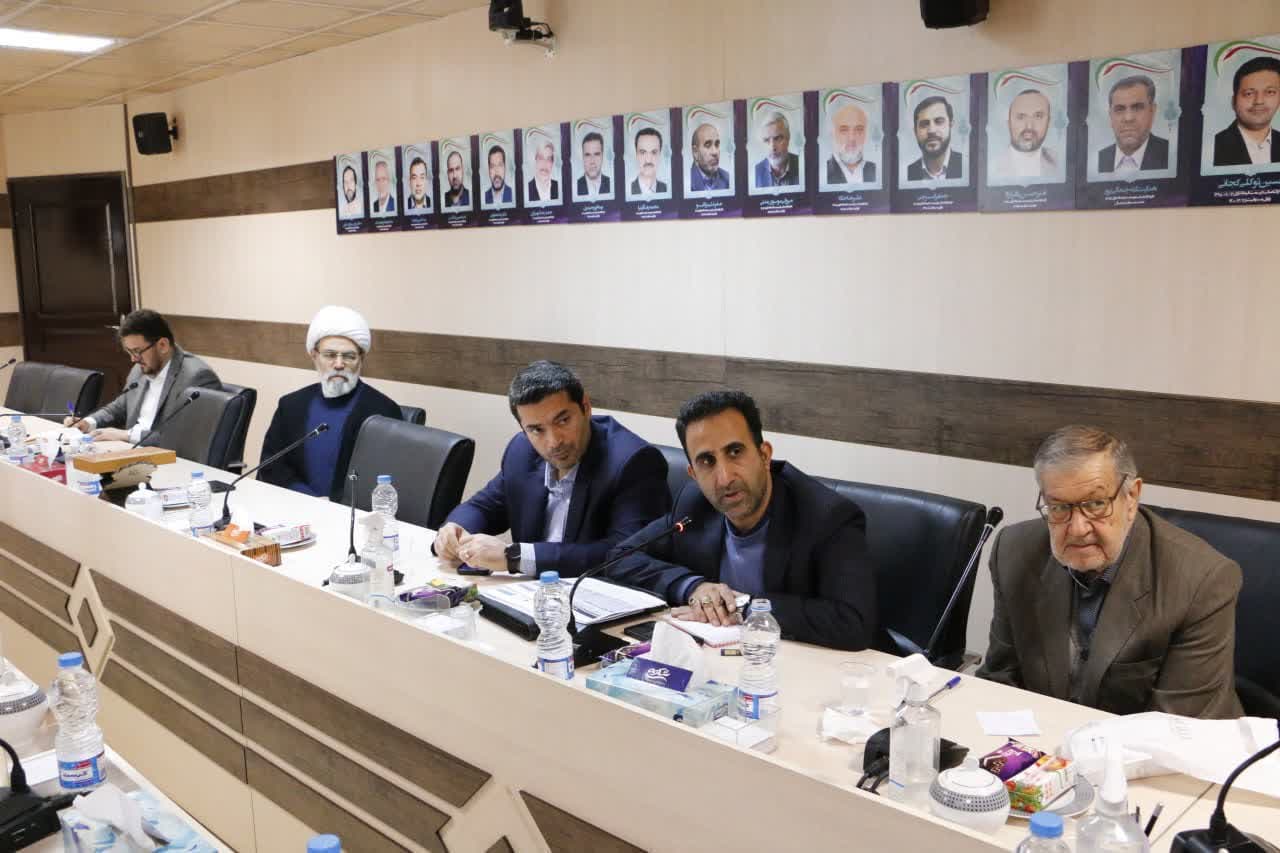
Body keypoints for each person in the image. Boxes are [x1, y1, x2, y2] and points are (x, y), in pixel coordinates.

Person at [976, 425, 1243, 718]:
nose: (1077, 529)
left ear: (1132, 497)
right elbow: (1000, 680)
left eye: (1096, 504)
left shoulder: (1201, 580)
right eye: (1059, 507)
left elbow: (1175, 726)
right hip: (1047, 739)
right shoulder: (1014, 552)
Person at [603, 390, 877, 651]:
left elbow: (853, 622)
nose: (724, 478)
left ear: (764, 455)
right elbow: (620, 558)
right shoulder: (693, 505)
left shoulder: (826, 517)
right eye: (707, 461)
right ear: (693, 474)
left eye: (735, 452)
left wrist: (744, 606)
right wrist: (693, 586)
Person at [434, 360, 669, 578]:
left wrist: (515, 557)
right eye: (536, 430)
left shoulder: (633, 462)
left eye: (563, 421)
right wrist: (455, 530)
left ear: (586, 407)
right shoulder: (521, 451)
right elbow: (484, 506)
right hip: (530, 592)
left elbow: (624, 554)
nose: (554, 441)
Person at [258, 306, 401, 502]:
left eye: (349, 356)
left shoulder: (384, 411)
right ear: (314, 355)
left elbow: (387, 479)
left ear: (361, 359)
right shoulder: (291, 405)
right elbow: (271, 465)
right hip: (294, 506)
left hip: (351, 515)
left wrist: (333, 505)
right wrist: (308, 499)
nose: (339, 364)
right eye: (330, 355)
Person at [69, 309, 220, 444]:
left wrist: (127, 435)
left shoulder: (197, 378)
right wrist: (88, 423)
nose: (133, 359)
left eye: (137, 351)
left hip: (168, 459)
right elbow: (119, 407)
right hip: (133, 451)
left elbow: (183, 438)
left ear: (163, 345)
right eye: (129, 352)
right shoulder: (140, 369)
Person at [1213, 56, 1280, 166]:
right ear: (1233, 101)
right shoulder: (1213, 146)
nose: (1259, 101)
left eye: (1270, 92)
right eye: (1249, 93)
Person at [1097, 75, 1169, 173]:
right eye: (1119, 109)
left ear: (1152, 111)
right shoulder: (1098, 159)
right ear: (1111, 116)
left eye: (1137, 108)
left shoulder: (1171, 154)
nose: (1128, 118)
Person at [991, 89, 1058, 179]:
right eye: (1021, 117)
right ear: (1008, 123)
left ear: (1048, 122)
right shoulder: (992, 165)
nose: (1029, 126)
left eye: (1038, 116)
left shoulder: (1058, 162)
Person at [907, 95, 963, 180]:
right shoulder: (907, 173)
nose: (931, 130)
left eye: (939, 121)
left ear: (950, 125)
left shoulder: (967, 166)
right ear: (915, 131)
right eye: (924, 124)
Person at [825, 102, 877, 184]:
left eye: (859, 129)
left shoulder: (877, 171)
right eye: (844, 130)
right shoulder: (822, 172)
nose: (851, 138)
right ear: (832, 134)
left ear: (866, 133)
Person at [753, 112, 799, 187]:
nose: (772, 148)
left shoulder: (803, 165)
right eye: (766, 140)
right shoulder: (755, 173)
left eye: (777, 138)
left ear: (788, 137)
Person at [688, 122, 730, 191]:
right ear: (695, 152)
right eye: (707, 145)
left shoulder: (727, 179)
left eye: (717, 144)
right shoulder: (686, 182)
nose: (715, 152)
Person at [630, 127, 668, 195]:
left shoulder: (667, 190)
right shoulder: (627, 190)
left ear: (660, 155)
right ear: (636, 155)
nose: (648, 160)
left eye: (654, 152)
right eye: (643, 152)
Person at [575, 131, 612, 197]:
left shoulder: (612, 184)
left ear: (602, 156)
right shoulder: (575, 186)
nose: (592, 161)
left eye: (596, 154)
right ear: (583, 157)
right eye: (587, 155)